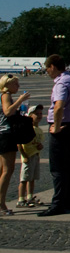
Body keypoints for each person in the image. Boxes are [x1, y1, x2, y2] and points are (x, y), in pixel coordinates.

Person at [40, 54, 70, 217]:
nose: (47, 72)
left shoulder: (61, 83)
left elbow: (58, 106)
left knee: (57, 168)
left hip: (61, 128)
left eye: (47, 68)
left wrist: (56, 127)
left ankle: (58, 203)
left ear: (53, 67)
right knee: (68, 166)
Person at [1, 74, 32, 216]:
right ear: (7, 85)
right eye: (15, 84)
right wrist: (20, 100)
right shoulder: (5, 95)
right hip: (6, 135)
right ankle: (1, 203)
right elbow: (7, 112)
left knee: (2, 170)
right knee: (8, 170)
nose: (18, 87)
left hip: (2, 135)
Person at [17, 104, 45, 207]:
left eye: (40, 114)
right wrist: (24, 155)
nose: (39, 116)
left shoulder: (39, 130)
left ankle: (30, 196)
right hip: (27, 156)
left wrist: (40, 147)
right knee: (24, 179)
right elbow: (19, 144)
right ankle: (21, 199)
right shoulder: (26, 128)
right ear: (30, 116)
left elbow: (39, 144)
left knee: (32, 178)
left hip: (36, 156)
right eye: (36, 114)